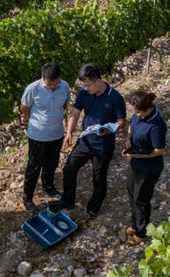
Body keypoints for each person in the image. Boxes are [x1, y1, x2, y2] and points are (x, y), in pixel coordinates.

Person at [49, 63, 126, 218]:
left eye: (88, 85)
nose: (85, 88)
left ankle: (93, 209)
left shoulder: (115, 97)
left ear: (98, 81)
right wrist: (69, 132)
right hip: (85, 142)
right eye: (83, 86)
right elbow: (76, 113)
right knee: (69, 169)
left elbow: (122, 121)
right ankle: (68, 200)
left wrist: (109, 129)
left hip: (103, 146)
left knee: (98, 179)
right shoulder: (84, 94)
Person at [20, 63, 71, 211]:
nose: (54, 86)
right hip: (38, 135)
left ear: (60, 77)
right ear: (43, 78)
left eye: (56, 83)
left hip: (56, 133)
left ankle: (48, 187)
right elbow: (24, 108)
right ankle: (27, 197)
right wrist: (32, 121)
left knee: (51, 163)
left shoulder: (65, 86)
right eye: (50, 84)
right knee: (34, 166)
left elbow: (64, 104)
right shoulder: (33, 88)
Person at [122, 90, 166, 245]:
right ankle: (135, 224)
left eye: (138, 112)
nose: (136, 115)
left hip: (149, 168)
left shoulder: (156, 125)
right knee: (131, 193)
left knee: (141, 199)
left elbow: (159, 150)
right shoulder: (138, 115)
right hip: (136, 162)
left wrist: (139, 156)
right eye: (134, 112)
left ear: (148, 109)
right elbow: (131, 126)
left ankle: (142, 232)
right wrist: (128, 139)